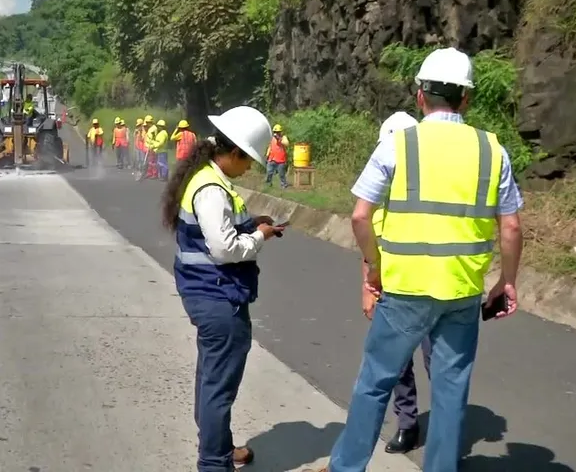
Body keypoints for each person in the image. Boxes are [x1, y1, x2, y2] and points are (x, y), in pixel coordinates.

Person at [313, 47, 525, 472]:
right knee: (451, 390)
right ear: (466, 99)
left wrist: (373, 269)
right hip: (462, 293)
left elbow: (360, 216)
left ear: (420, 96)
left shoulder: (398, 145)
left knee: (375, 382)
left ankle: (346, 467)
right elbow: (512, 228)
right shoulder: (492, 151)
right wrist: (506, 282)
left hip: (404, 290)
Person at [160, 105, 287, 472]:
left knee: (211, 378)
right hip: (218, 296)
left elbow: (218, 230)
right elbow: (224, 248)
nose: (248, 169)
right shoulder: (211, 189)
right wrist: (260, 237)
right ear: (233, 153)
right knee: (218, 386)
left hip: (208, 292)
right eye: (247, 161)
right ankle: (214, 462)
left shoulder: (205, 178)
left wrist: (252, 223)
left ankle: (219, 446)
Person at [361, 111, 432, 455]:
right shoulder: (383, 205)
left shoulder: (435, 199)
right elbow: (369, 249)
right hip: (395, 293)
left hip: (435, 292)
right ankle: (407, 424)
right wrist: (367, 288)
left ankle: (447, 432)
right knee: (398, 364)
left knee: (439, 364)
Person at [143, 115, 159, 179]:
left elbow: (155, 138)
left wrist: (152, 145)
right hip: (148, 146)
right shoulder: (149, 128)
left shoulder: (154, 128)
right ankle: (149, 173)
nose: (147, 124)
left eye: (147, 122)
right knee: (149, 161)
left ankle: (154, 173)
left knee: (153, 161)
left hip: (152, 146)